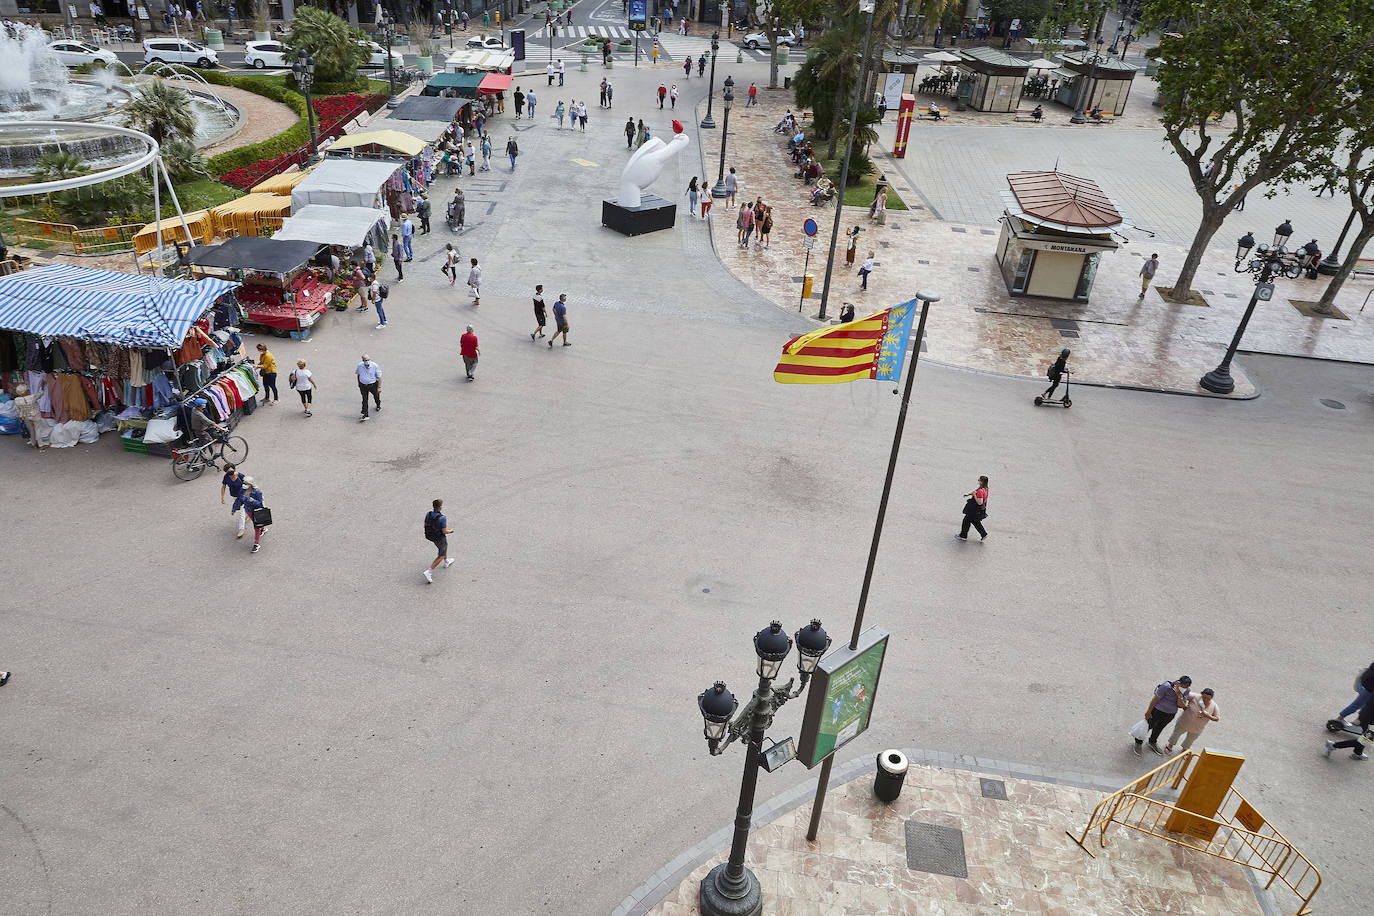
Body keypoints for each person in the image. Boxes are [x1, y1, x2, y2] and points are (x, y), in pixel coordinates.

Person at [1135, 676, 1192, 756]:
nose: (1185, 688)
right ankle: (1138, 742)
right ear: (1178, 683)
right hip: (1157, 711)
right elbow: (1155, 699)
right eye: (1183, 686)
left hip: (1170, 714)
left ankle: (1152, 741)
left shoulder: (1187, 690)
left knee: (1159, 728)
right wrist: (1148, 711)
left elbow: (1180, 705)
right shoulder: (1166, 686)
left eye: (1187, 687)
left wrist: (1179, 694)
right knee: (1148, 726)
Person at [1166, 687, 1219, 753]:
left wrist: (1208, 715)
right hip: (1184, 722)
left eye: (1208, 699)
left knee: (1190, 740)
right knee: (1176, 734)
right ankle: (1170, 746)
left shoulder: (1214, 705)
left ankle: (1184, 750)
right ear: (1201, 694)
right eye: (1204, 697)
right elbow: (1183, 695)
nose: (1205, 700)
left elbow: (1217, 718)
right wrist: (1184, 705)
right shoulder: (1195, 696)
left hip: (1197, 728)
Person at [1326, 693, 1373, 761]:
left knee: (1365, 738)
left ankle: (1358, 753)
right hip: (1370, 720)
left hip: (1366, 715)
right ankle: (1333, 745)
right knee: (1364, 740)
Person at [423, 498, 456, 583]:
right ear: (440, 507)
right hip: (440, 538)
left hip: (431, 536)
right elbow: (444, 531)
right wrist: (451, 531)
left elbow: (425, 524)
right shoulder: (442, 518)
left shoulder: (428, 514)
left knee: (443, 549)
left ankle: (446, 561)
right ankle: (429, 571)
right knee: (441, 554)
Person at [233, 477, 268, 553]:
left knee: (256, 527)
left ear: (250, 484)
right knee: (258, 524)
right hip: (248, 511)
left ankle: (256, 544)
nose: (244, 485)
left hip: (256, 512)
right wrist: (234, 509)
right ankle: (263, 528)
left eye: (245, 483)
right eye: (244, 483)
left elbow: (260, 504)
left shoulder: (257, 492)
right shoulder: (242, 490)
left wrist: (254, 501)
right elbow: (238, 499)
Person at [957, 475, 989, 541]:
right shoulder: (985, 488)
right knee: (975, 521)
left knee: (966, 521)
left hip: (974, 509)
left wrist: (974, 495)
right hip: (978, 510)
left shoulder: (980, 491)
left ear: (982, 482)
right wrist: (969, 494)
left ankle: (963, 536)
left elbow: (980, 502)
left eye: (979, 480)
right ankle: (984, 534)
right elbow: (975, 491)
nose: (978, 481)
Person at [12, 382, 42, 449]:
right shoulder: (32, 397)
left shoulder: (16, 400)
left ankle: (34, 444)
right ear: (25, 391)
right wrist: (42, 387)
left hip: (26, 417)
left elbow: (17, 410)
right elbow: (41, 394)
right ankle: (41, 445)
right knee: (38, 429)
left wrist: (20, 417)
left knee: (31, 430)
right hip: (35, 416)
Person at [221, 463, 248, 538]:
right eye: (228, 472)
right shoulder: (226, 477)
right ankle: (249, 515)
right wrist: (222, 497)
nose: (231, 474)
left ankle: (241, 529)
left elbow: (249, 483)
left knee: (241, 512)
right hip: (235, 496)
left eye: (232, 471)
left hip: (244, 495)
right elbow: (223, 486)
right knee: (242, 509)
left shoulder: (240, 475)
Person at [355, 355, 381, 421]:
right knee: (364, 399)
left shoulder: (374, 366)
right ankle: (365, 414)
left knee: (376, 396)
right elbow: (358, 374)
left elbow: (379, 377)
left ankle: (378, 404)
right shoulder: (360, 366)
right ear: (363, 360)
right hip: (363, 385)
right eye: (365, 360)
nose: (367, 361)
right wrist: (359, 383)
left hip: (373, 385)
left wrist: (379, 387)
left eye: (368, 360)